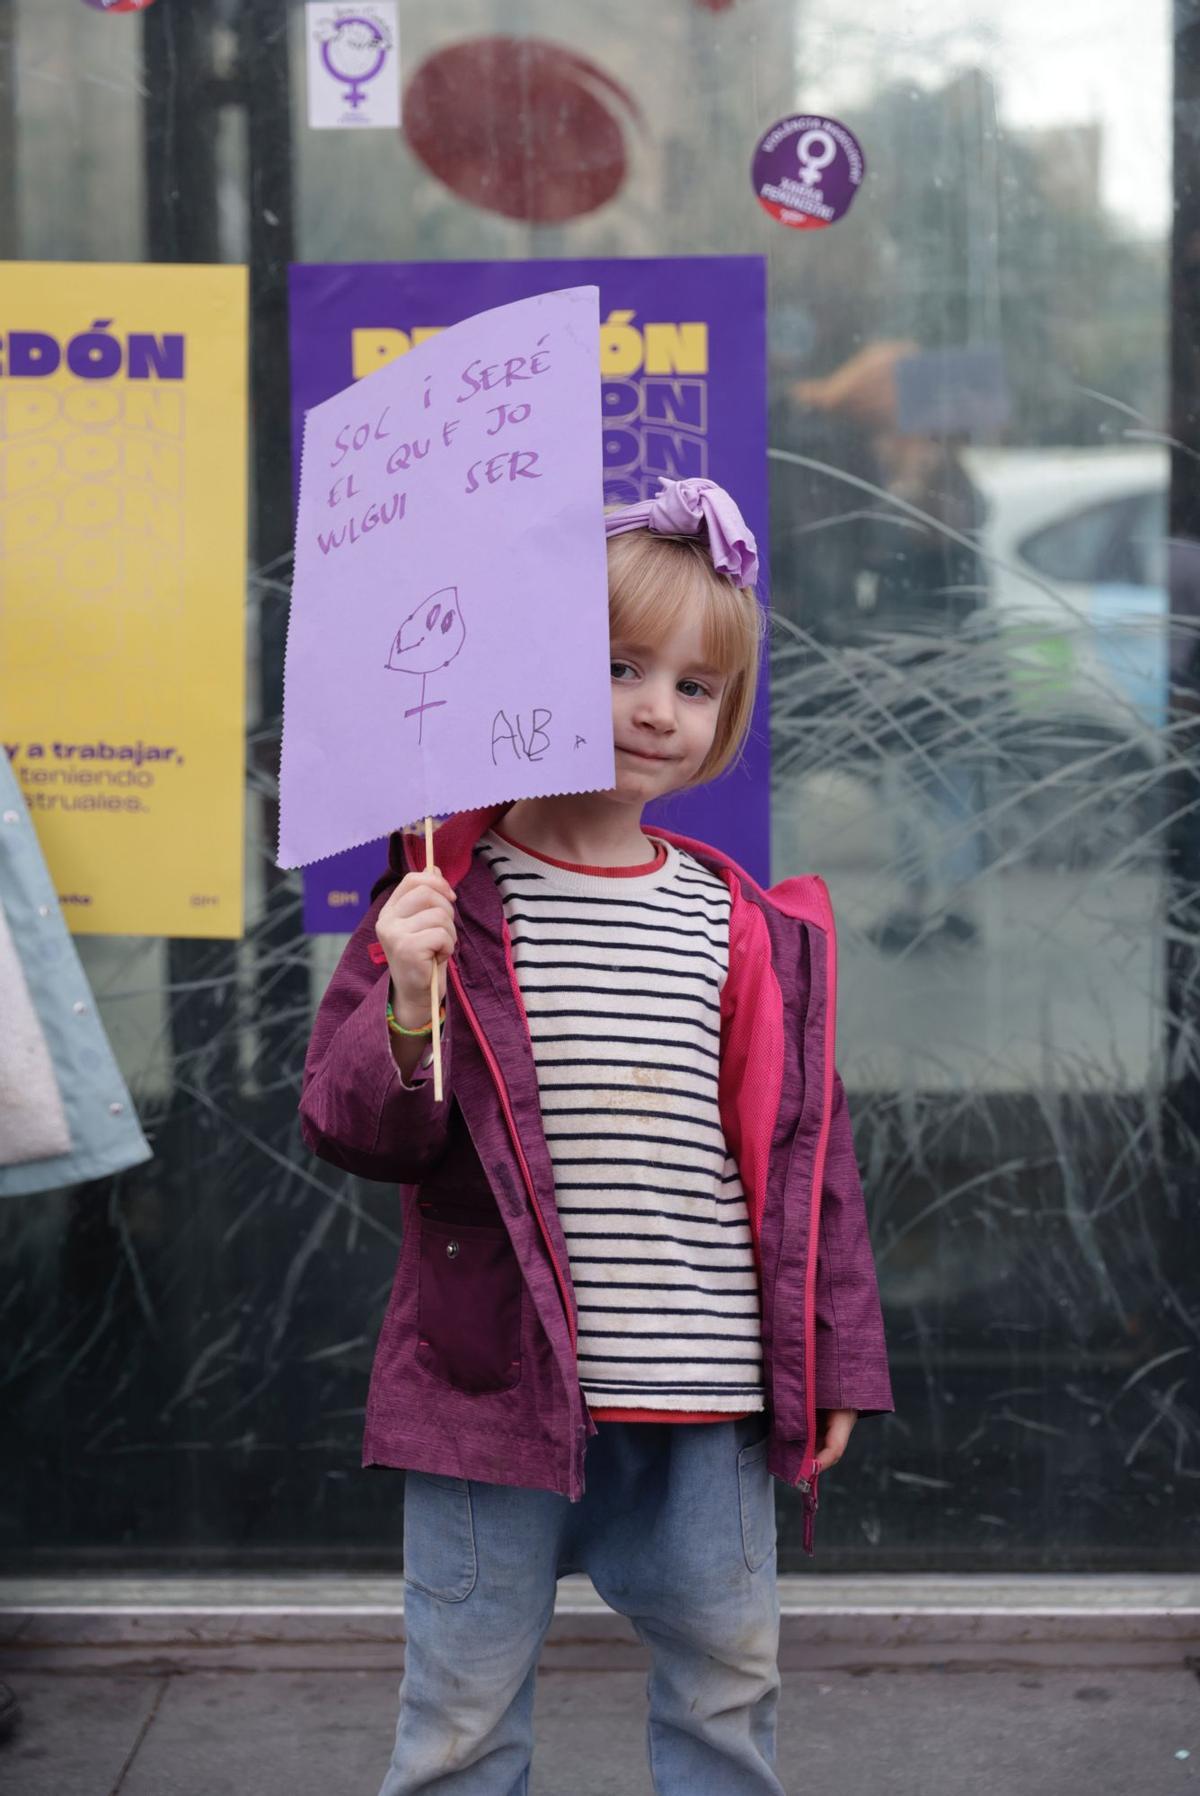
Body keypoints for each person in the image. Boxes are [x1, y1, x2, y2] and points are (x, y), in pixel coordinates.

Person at [300, 477, 894, 1796]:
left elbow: (811, 1170)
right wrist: (407, 1000)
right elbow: (356, 1129)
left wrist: (833, 1355)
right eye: (619, 665)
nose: (652, 708)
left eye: (694, 686)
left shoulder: (741, 923)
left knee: (728, 1689)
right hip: (489, 1387)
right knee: (460, 1705)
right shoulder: (445, 897)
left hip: (709, 1392)